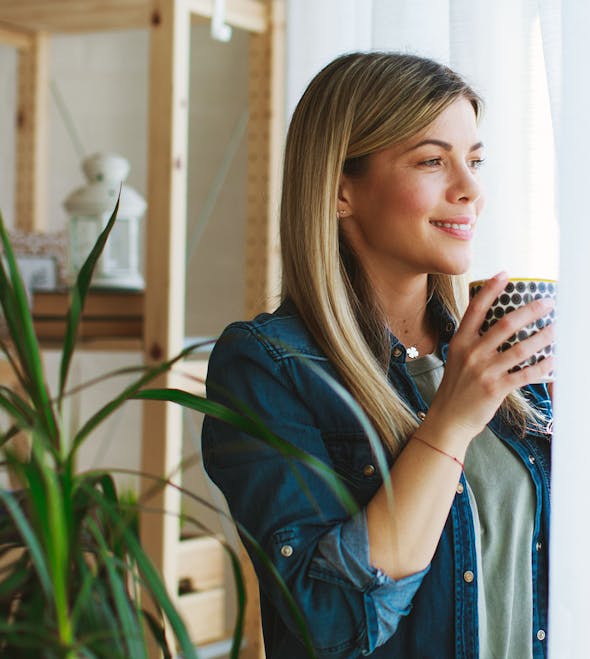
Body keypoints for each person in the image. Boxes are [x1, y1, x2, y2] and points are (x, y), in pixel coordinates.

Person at [202, 51, 553, 658]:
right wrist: (452, 421)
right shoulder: (267, 366)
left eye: (474, 161)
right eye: (432, 161)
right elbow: (326, 627)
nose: (471, 190)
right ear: (341, 191)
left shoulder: (493, 354)